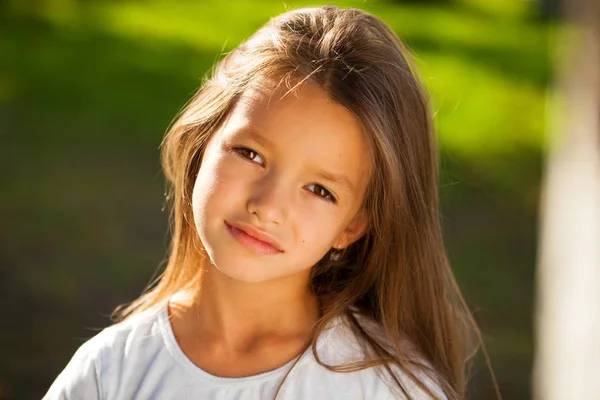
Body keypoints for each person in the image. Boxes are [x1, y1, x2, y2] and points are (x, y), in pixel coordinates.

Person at [43, 5, 497, 400]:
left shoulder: (389, 388)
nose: (268, 205)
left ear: (353, 226)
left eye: (320, 190)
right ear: (203, 143)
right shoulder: (110, 371)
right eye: (251, 154)